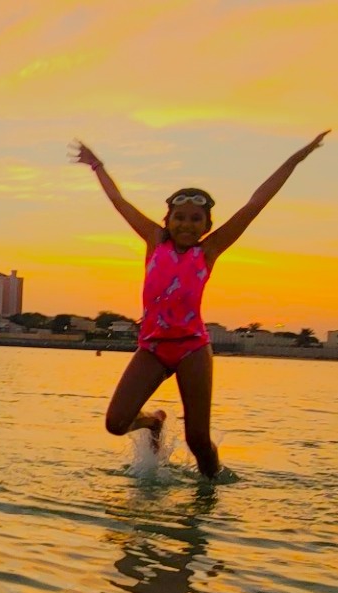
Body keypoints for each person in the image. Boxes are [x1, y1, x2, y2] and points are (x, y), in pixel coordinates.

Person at [70, 130, 330, 478]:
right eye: (180, 217)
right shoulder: (153, 241)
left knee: (197, 438)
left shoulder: (209, 251)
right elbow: (120, 202)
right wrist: (96, 165)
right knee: (116, 423)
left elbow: (256, 203)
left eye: (196, 219)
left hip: (192, 348)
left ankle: (209, 491)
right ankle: (153, 423)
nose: (187, 224)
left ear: (207, 225)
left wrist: (297, 158)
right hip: (152, 348)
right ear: (167, 221)